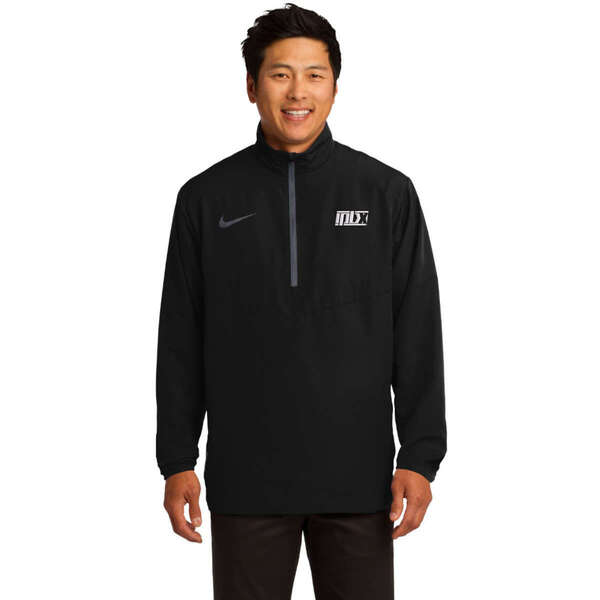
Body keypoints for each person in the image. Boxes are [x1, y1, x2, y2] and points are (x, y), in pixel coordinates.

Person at [155, 3, 446, 598]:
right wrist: (177, 458)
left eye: (315, 75)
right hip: (245, 482)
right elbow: (181, 337)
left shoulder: (386, 193)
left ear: (335, 86)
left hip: (359, 482)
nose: (298, 92)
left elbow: (417, 330)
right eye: (280, 74)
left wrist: (420, 457)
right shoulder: (205, 199)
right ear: (251, 86)